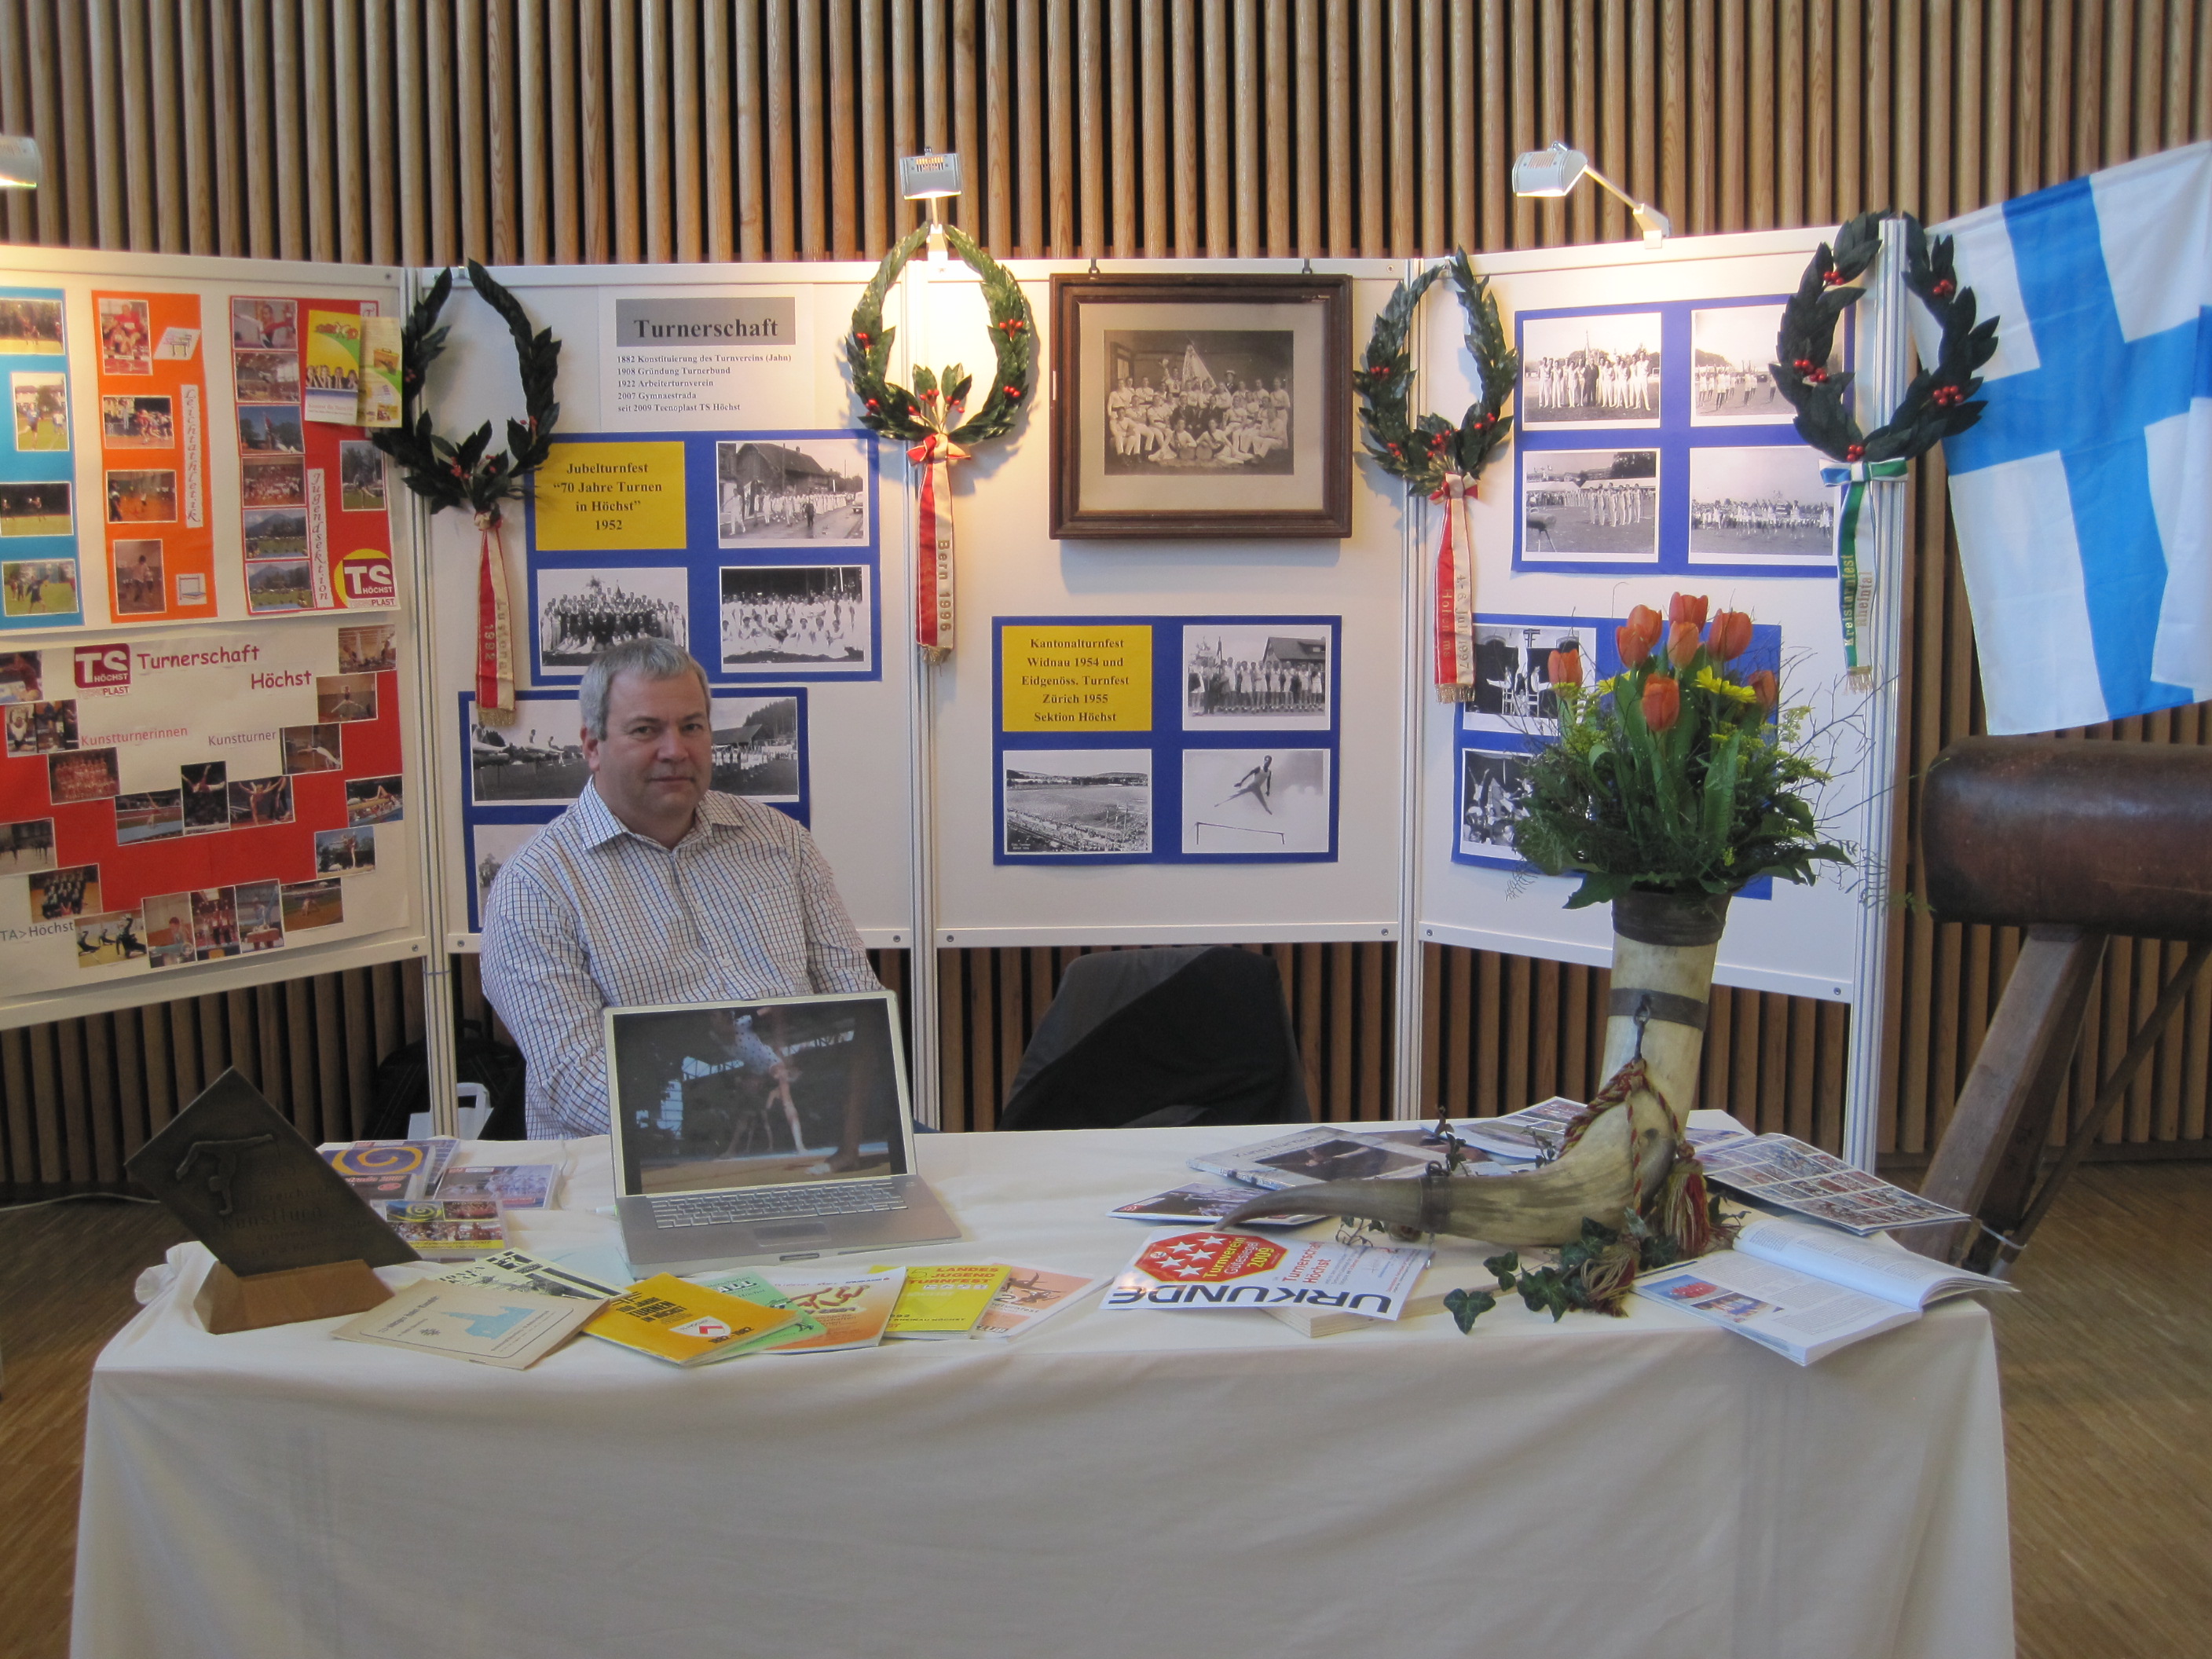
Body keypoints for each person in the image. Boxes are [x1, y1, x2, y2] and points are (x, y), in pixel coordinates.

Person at [480, 636, 877, 1139]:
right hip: (643, 1157)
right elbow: (575, 1081)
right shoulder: (534, 887)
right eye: (646, 730)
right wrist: (723, 1125)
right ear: (593, 747)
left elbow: (856, 1003)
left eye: (692, 727)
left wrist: (848, 1109)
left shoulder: (782, 842)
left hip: (809, 1125)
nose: (675, 751)